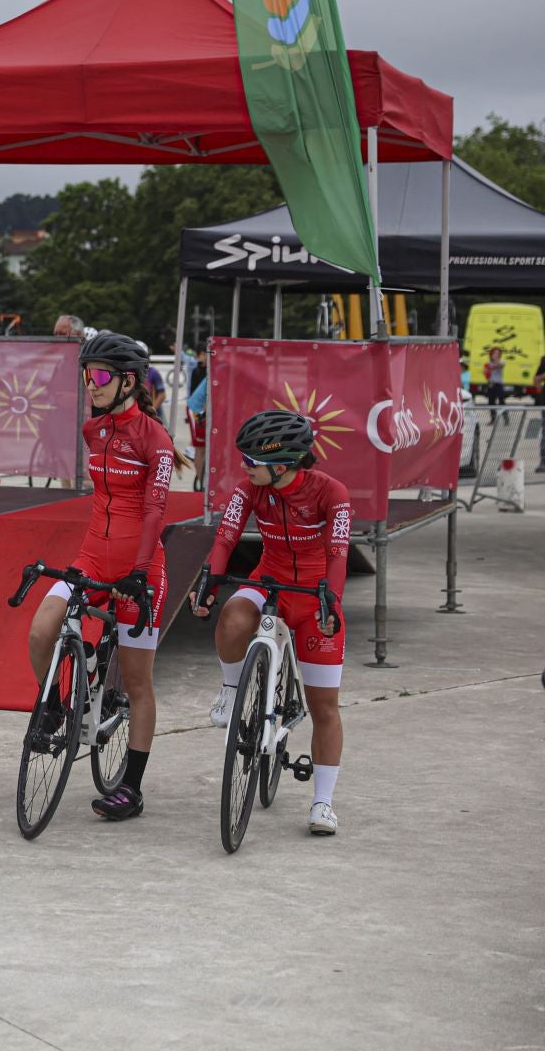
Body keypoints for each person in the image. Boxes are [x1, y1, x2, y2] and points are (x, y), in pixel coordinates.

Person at [25, 332, 180, 821]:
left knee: (138, 684)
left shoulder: (156, 440)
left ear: (129, 381)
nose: (91, 384)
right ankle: (54, 704)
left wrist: (138, 572)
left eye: (101, 376)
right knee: (41, 628)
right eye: (87, 375)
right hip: (91, 556)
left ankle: (130, 788)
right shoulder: (94, 431)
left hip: (140, 567)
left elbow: (155, 508)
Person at [193, 409, 351, 836]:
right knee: (232, 615)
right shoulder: (250, 490)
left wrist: (330, 603)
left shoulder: (330, 493)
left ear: (281, 466)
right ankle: (230, 691)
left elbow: (338, 553)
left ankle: (322, 803)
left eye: (251, 461)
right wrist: (208, 580)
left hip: (315, 594)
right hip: (270, 582)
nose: (244, 467)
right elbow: (225, 537)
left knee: (324, 708)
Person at [186, 358, 210, 490]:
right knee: (200, 448)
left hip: (205, 409)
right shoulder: (218, 371)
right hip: (197, 410)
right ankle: (203, 487)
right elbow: (209, 398)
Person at [485, 347, 506, 421]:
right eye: (494, 353)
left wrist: (495, 360)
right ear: (491, 354)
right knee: (491, 402)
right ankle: (493, 418)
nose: (496, 354)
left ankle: (505, 417)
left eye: (497, 353)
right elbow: (487, 374)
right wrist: (486, 372)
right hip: (491, 384)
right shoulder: (488, 363)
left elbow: (500, 365)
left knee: (501, 401)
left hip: (498, 384)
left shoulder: (501, 361)